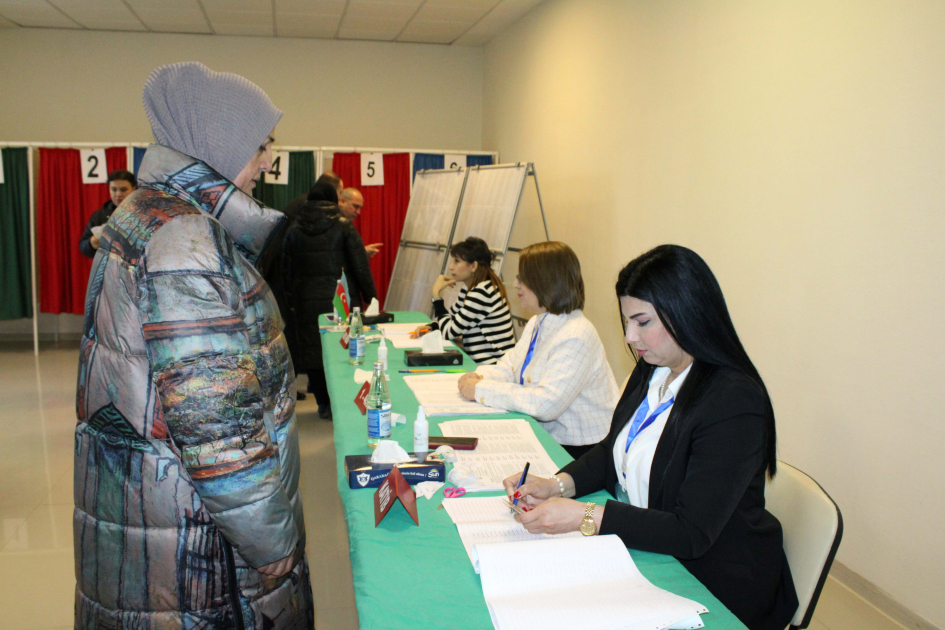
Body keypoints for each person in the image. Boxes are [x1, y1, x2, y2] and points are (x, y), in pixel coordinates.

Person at [74, 62, 313, 629]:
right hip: (199, 559)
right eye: (262, 144)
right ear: (222, 144)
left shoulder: (148, 215)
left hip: (157, 529)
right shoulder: (184, 240)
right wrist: (278, 551)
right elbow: (219, 435)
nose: (269, 161)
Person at [503, 245, 798, 630]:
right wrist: (557, 485)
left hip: (716, 581)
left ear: (686, 313)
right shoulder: (654, 367)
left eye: (642, 322)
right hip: (649, 549)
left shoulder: (733, 400)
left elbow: (691, 533)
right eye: (627, 322)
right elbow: (613, 450)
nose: (630, 337)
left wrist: (584, 516)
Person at [458, 241, 618, 458]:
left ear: (546, 281)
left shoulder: (577, 334)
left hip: (581, 452)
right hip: (550, 437)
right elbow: (510, 367)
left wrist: (480, 389)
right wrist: (479, 376)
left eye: (522, 278)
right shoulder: (538, 321)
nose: (515, 284)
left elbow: (545, 405)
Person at [282, 194, 378, 420]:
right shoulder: (344, 227)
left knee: (313, 350)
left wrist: (291, 302)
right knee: (345, 351)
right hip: (341, 300)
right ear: (336, 201)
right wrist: (371, 298)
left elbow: (285, 271)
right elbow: (360, 267)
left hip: (306, 302)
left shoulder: (294, 229)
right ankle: (342, 403)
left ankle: (323, 403)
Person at [414, 236, 515, 365]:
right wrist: (432, 327)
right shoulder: (472, 288)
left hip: (492, 366)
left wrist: (436, 295)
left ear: (473, 266)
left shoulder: (481, 292)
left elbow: (449, 332)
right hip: (481, 363)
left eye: (456, 261)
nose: (451, 267)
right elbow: (452, 318)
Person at [78, 169, 136, 258]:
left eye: (123, 189)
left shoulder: (144, 214)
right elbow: (83, 247)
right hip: (108, 269)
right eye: (114, 189)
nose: (118, 194)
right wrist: (92, 243)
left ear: (134, 189)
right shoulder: (99, 216)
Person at [338, 187, 383, 259]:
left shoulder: (343, 225)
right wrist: (362, 251)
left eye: (360, 208)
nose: (358, 212)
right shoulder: (333, 224)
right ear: (342, 202)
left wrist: (362, 251)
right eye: (355, 206)